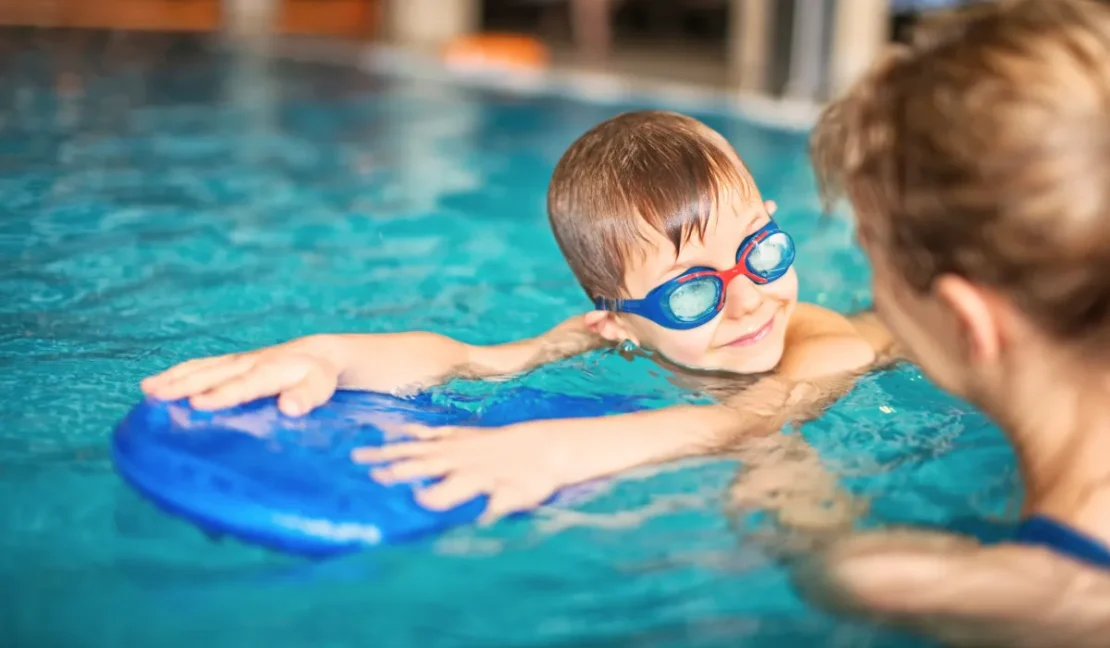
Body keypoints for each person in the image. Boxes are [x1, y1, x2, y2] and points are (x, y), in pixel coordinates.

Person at [142, 110, 895, 526]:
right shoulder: (614, 336)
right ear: (618, 322)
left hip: (887, 346)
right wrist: (327, 353)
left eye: (760, 252)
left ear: (771, 222)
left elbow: (751, 421)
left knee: (782, 494)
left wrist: (563, 451)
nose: (749, 298)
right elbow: (478, 359)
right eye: (691, 291)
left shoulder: (823, 344)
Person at [795, 0, 1110, 645]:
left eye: (874, 260)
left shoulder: (919, 584)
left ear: (971, 320)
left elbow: (800, 529)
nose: (877, 296)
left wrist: (765, 439)